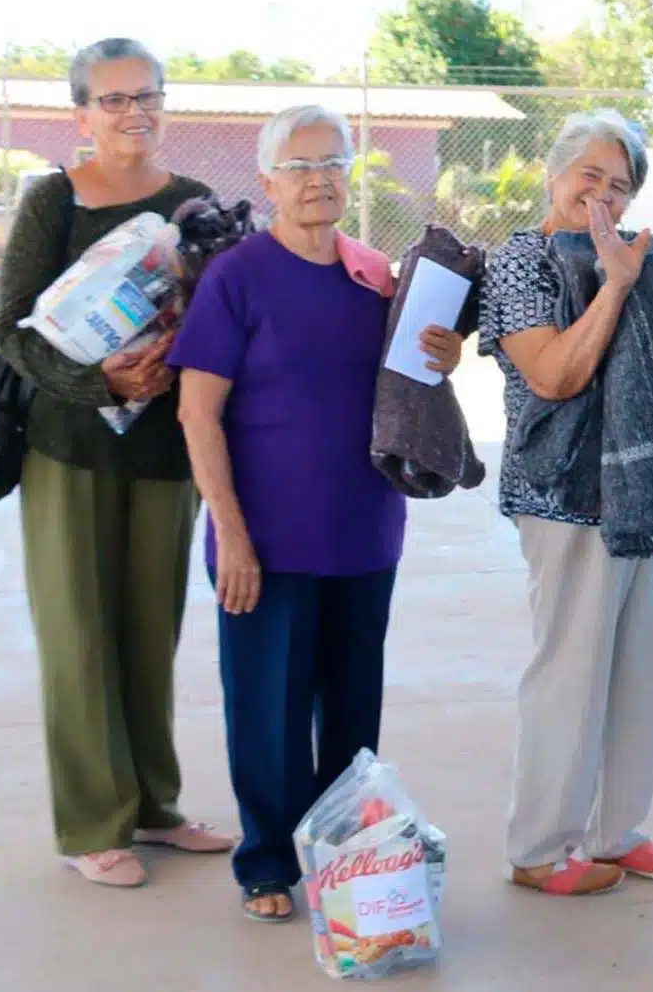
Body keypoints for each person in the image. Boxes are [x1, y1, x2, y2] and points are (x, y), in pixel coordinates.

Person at [167, 104, 464, 922]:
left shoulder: (373, 275)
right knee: (267, 707)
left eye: (332, 162)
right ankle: (266, 861)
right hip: (264, 538)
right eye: (298, 166)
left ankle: (347, 856)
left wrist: (444, 353)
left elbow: (414, 382)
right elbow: (198, 413)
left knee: (352, 713)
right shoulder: (238, 277)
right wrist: (231, 532)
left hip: (362, 531)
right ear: (267, 181)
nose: (318, 179)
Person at [478, 109, 653, 897]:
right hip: (565, 491)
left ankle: (613, 832)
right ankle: (539, 846)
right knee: (569, 673)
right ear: (554, 173)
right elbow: (555, 376)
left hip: (647, 493)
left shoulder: (644, 263)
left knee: (639, 671)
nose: (602, 197)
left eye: (619, 185)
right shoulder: (521, 263)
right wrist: (614, 284)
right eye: (589, 177)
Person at [0, 38, 232, 888]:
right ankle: (93, 819)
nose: (135, 112)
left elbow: (222, 313)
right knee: (78, 633)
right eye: (115, 99)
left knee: (146, 630)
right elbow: (10, 329)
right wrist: (96, 380)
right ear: (82, 114)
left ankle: (153, 806)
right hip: (71, 448)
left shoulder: (195, 202)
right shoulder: (52, 202)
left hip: (166, 448)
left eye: (148, 96)